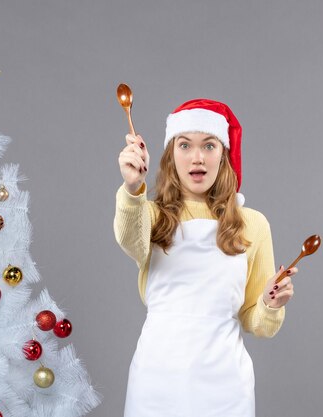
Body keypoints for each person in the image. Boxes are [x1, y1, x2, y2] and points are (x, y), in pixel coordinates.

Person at [114, 98, 297, 416]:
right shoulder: (152, 215)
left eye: (209, 145)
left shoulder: (253, 223)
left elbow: (257, 323)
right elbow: (129, 241)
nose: (197, 158)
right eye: (184, 145)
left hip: (224, 385)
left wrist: (270, 304)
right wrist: (133, 188)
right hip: (158, 380)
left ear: (224, 154)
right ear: (172, 154)